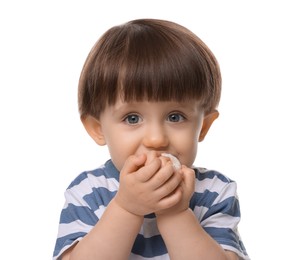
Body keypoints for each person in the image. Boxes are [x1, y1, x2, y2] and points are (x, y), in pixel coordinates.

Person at [53, 18, 250, 260]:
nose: (156, 139)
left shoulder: (214, 192)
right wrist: (126, 207)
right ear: (98, 129)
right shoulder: (88, 192)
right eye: (132, 118)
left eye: (175, 117)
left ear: (203, 126)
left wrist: (175, 214)